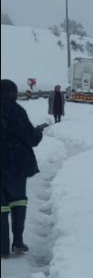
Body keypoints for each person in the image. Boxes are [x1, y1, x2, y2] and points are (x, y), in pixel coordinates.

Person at [1, 79, 46, 259]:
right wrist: (38, 133)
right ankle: (18, 242)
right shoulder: (17, 112)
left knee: (1, 207)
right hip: (16, 165)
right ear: (12, 93)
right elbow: (31, 139)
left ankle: (2, 248)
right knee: (18, 201)